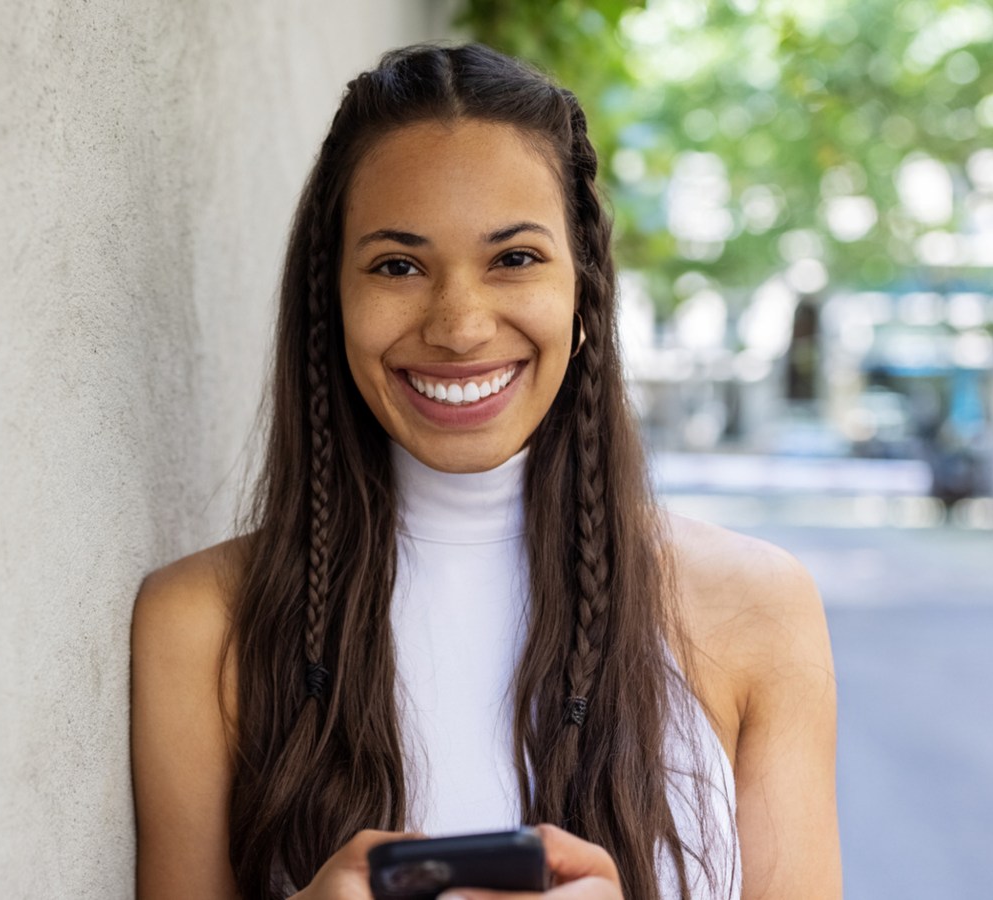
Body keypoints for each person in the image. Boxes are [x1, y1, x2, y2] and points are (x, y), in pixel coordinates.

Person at [130, 44, 841, 900]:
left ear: (586, 292)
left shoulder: (758, 607)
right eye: (398, 265)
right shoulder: (199, 625)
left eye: (514, 259)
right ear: (332, 300)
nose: (460, 325)